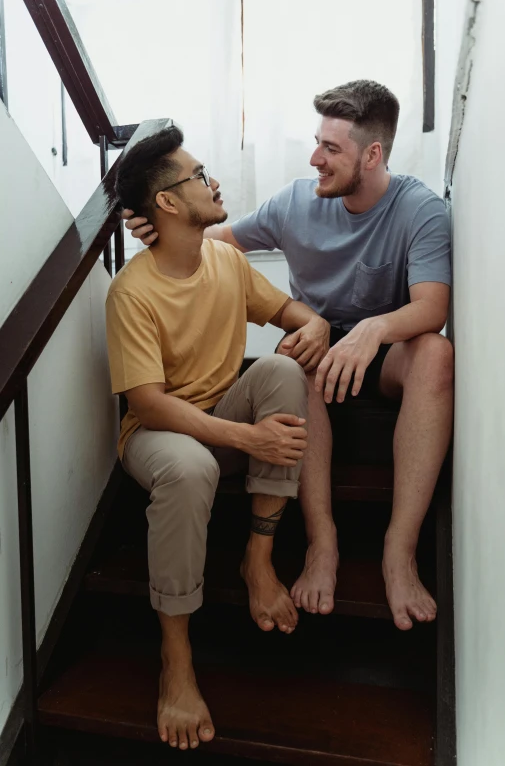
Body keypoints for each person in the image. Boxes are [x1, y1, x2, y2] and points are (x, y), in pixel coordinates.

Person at [124, 80, 454, 633]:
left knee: (437, 355)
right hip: (319, 364)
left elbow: (432, 307)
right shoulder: (295, 202)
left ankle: (399, 550)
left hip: (386, 355)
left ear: (372, 155)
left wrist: (372, 330)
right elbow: (214, 241)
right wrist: (159, 225)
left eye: (331, 149)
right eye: (316, 141)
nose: (314, 158)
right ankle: (321, 542)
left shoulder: (420, 210)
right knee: (293, 359)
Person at [107, 125, 330, 750]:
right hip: (159, 435)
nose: (215, 181)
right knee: (189, 468)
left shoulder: (227, 261)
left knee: (284, 367)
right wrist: (246, 437)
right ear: (169, 204)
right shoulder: (132, 291)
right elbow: (148, 403)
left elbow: (296, 316)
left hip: (224, 422)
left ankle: (257, 560)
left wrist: (317, 326)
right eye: (200, 175)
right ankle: (175, 656)